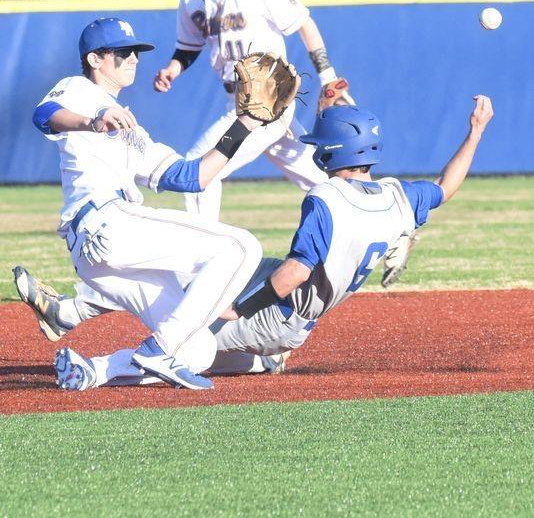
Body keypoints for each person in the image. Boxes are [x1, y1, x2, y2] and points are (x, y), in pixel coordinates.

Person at [16, 96, 493, 388]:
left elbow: (296, 273)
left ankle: (98, 370)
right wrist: (475, 133)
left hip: (279, 310)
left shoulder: (326, 199)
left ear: (332, 152)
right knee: (187, 274)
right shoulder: (397, 197)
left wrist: (239, 310)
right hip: (292, 307)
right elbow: (445, 188)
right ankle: (72, 312)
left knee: (190, 340)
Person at [24, 15, 286, 391]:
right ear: (96, 59)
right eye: (122, 52)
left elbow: (191, 177)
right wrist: (93, 121)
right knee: (242, 246)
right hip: (106, 223)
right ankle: (157, 349)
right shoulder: (79, 89)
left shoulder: (133, 130)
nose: (133, 58)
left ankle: (94, 371)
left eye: (136, 52)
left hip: (97, 258)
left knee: (199, 349)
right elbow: (44, 116)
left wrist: (244, 125)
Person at [153, 0, 352, 220]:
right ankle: (375, 214)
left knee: (201, 166)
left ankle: (204, 253)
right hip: (235, 99)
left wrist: (327, 74)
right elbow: (188, 47)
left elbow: (304, 23)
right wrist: (173, 68)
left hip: (269, 97)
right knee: (316, 175)